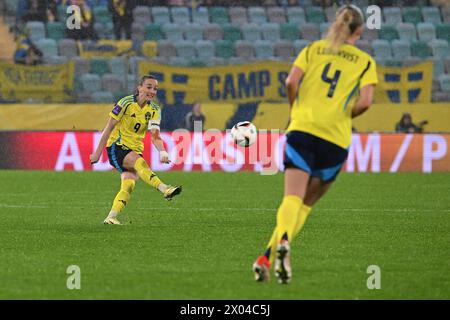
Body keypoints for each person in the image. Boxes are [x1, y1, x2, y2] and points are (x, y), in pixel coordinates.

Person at [252, 4, 378, 284]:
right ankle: (268, 254)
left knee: (291, 198)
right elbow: (366, 101)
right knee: (306, 205)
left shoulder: (313, 49)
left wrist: (295, 109)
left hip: (302, 129)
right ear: (359, 30)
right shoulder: (365, 61)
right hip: (335, 138)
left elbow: (290, 81)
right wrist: (345, 115)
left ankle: (273, 250)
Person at [90, 74, 182, 225]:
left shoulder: (154, 110)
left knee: (129, 184)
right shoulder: (126, 103)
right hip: (117, 147)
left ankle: (111, 217)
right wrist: (98, 153)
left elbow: (155, 136)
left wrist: (162, 151)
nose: (152, 91)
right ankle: (165, 189)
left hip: (134, 149)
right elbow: (109, 127)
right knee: (140, 163)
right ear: (139, 88)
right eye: (149, 87)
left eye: (155, 89)